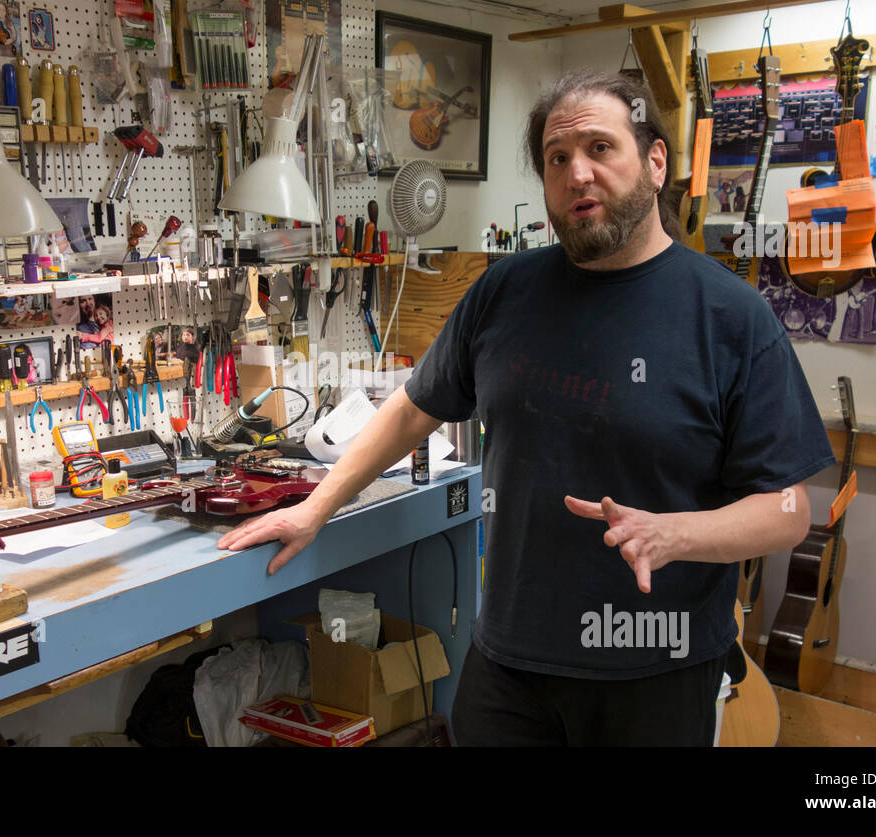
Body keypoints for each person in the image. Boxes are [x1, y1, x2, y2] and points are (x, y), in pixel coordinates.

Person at [215, 70, 835, 746]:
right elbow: (412, 408)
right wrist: (315, 507)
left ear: (656, 162)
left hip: (657, 674)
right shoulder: (504, 291)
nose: (578, 174)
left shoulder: (730, 317)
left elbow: (788, 510)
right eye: (557, 158)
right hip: (510, 666)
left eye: (601, 148)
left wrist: (673, 534)